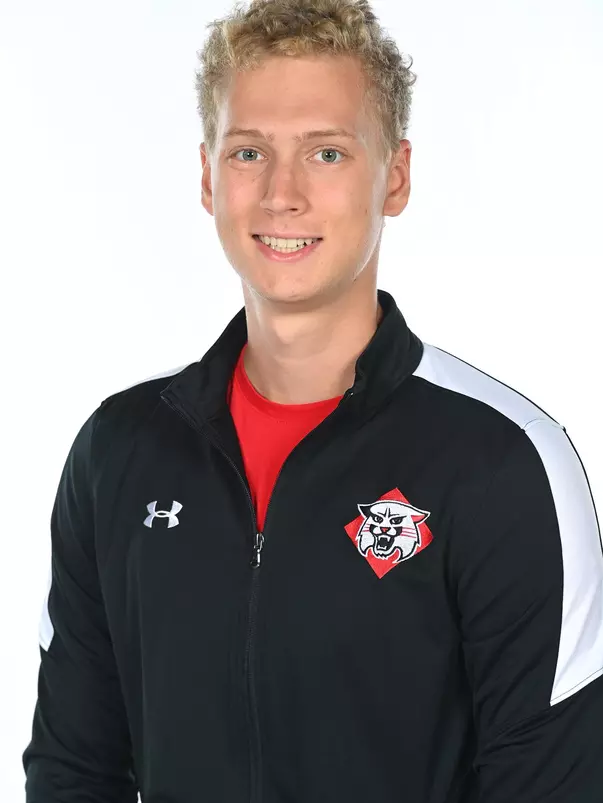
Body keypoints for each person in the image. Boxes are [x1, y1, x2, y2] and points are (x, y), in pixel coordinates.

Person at [22, 0, 603, 801]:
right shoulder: (117, 452)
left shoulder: (501, 461)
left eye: (327, 153)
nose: (281, 194)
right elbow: (73, 769)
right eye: (249, 152)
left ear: (393, 176)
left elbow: (552, 783)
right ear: (206, 175)